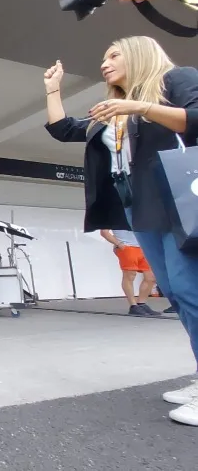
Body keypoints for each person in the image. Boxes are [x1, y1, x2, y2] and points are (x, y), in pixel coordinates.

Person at [44, 36, 198, 426]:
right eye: (103, 57)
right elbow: (64, 129)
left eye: (113, 54)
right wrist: (53, 90)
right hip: (140, 209)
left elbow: (195, 118)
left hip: (178, 200)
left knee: (188, 289)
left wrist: (139, 106)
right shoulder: (110, 114)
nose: (105, 63)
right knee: (177, 296)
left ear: (138, 54)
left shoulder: (175, 80)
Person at [100, 228, 160, 316]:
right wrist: (118, 244)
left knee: (151, 277)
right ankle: (133, 305)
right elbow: (104, 232)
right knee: (130, 275)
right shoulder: (113, 215)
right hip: (127, 247)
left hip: (143, 247)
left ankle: (141, 303)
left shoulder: (138, 215)